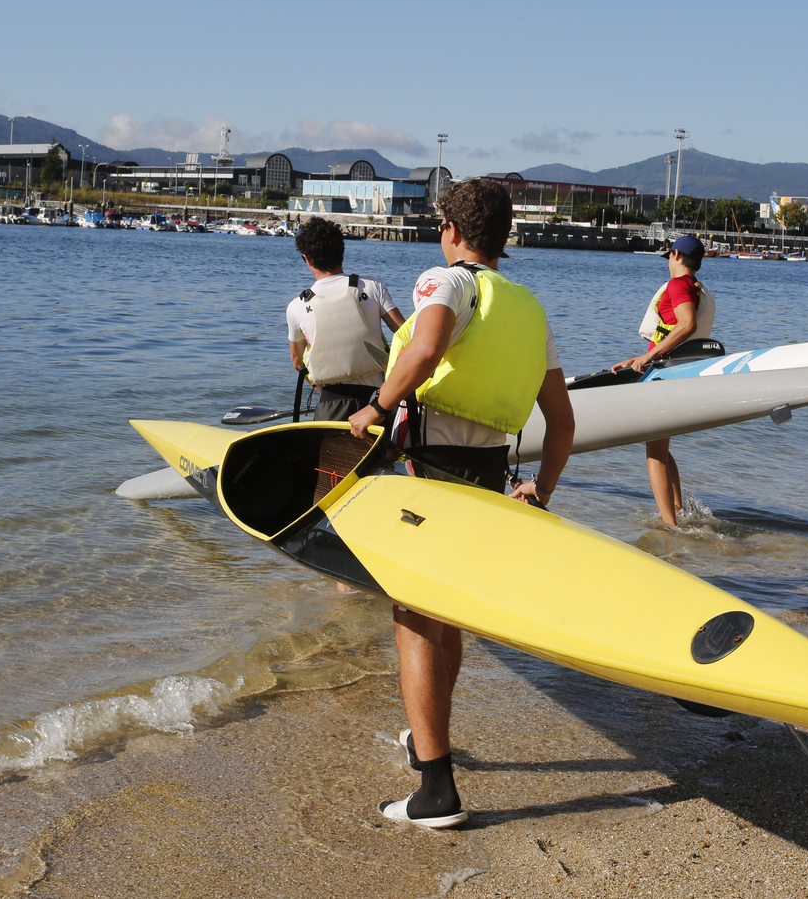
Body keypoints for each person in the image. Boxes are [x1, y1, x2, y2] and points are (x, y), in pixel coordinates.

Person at [346, 179, 576, 829]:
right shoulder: (529, 308)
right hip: (486, 479)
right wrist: (542, 490)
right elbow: (562, 422)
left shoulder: (446, 282)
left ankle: (436, 790)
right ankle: (428, 743)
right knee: (445, 616)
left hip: (430, 467)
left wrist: (375, 406)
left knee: (414, 614)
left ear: (451, 230)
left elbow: (422, 350)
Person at [613, 234, 716, 528]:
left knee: (654, 452)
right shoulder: (699, 289)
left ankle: (669, 525)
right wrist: (638, 359)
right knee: (662, 448)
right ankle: (679, 511)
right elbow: (674, 334)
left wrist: (646, 360)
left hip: (663, 375)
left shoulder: (678, 285)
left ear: (675, 255)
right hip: (676, 374)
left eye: (669, 256)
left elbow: (687, 325)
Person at [286, 217, 405, 422]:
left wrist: (321, 387)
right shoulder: (372, 287)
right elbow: (405, 334)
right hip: (378, 403)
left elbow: (298, 363)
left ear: (308, 259)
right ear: (342, 251)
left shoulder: (296, 306)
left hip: (330, 405)